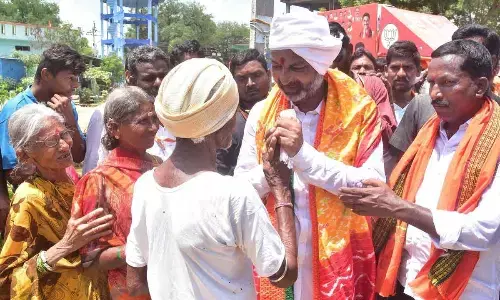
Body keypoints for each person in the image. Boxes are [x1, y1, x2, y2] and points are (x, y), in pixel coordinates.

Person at [235, 8, 385, 299]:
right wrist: (271, 170)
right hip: (277, 254)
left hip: (338, 255)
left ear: (319, 64)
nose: (284, 78)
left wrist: (303, 156)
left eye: (296, 66)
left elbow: (373, 187)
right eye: (277, 65)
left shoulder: (359, 110)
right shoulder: (262, 113)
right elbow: (242, 190)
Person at [340, 40, 500, 299]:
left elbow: (483, 231)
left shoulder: (496, 140)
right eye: (431, 83)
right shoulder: (429, 131)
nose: (435, 93)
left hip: (465, 290)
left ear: (480, 86)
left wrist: (396, 206)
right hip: (405, 281)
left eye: (447, 83)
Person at [125, 58, 298, 299]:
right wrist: (281, 193)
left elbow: (135, 284)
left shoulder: (145, 186)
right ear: (225, 120)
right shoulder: (233, 195)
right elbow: (284, 275)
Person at [0, 104, 114, 299]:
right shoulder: (29, 199)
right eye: (51, 142)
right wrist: (66, 245)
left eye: (63, 135)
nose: (64, 145)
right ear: (25, 155)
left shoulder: (71, 176)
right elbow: (7, 280)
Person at [74, 87, 161, 299]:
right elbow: (90, 261)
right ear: (114, 128)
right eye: (142, 121)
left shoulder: (160, 167)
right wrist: (140, 247)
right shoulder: (99, 181)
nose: (153, 128)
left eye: (155, 119)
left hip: (167, 284)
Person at [388, 24, 500, 170]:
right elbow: (397, 165)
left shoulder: (496, 120)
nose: (435, 93)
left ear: (495, 64)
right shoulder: (422, 106)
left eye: (477, 55)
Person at [0, 44, 86, 185]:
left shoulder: (66, 107)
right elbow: (12, 174)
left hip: (66, 193)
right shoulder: (15, 110)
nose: (76, 85)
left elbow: (78, 157)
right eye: (70, 78)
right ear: (46, 74)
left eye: (77, 79)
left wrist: (69, 119)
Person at [83, 45, 174, 174]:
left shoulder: (174, 111)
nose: (158, 83)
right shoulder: (104, 113)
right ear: (129, 76)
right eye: (149, 78)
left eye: (163, 76)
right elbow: (93, 166)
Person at [216, 49, 270, 175]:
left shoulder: (285, 109)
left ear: (269, 75)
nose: (250, 84)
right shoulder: (225, 121)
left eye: (256, 75)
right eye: (242, 78)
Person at [349, 48, 397, 175]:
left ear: (376, 71)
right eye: (357, 67)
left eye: (367, 67)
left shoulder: (380, 88)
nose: (362, 71)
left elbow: (389, 133)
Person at [385, 41, 421, 124]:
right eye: (395, 68)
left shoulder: (426, 108)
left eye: (407, 67)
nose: (401, 74)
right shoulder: (376, 107)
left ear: (418, 70)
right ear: (386, 71)